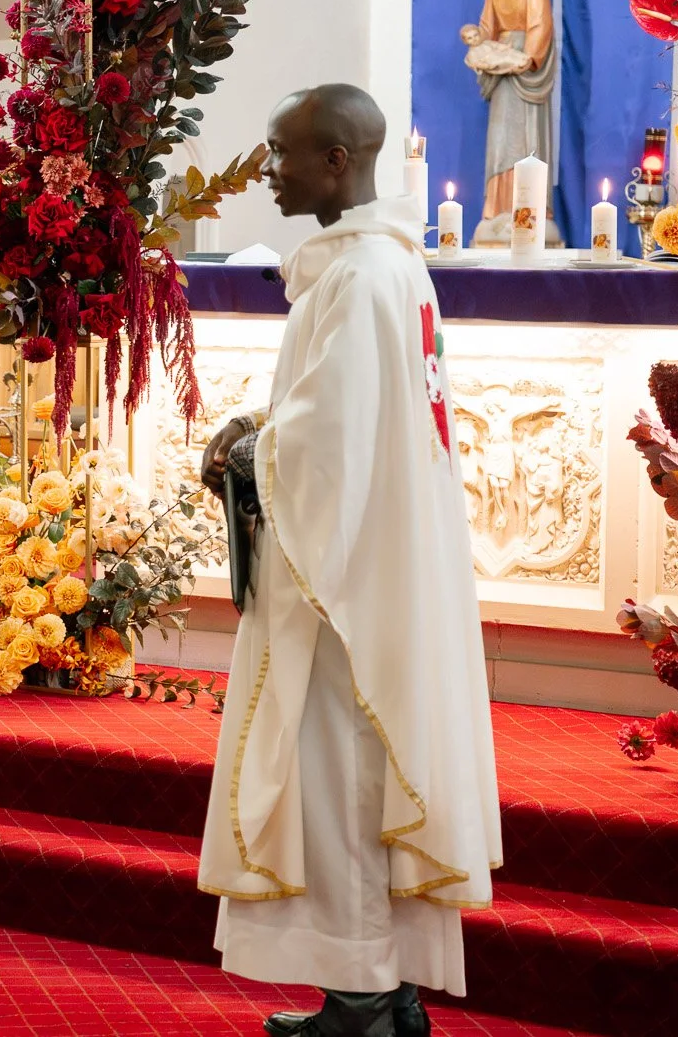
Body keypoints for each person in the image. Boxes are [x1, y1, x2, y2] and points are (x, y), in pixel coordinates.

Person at [197, 85, 501, 1037]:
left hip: (346, 581)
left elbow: (332, 441)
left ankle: (366, 999)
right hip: (367, 557)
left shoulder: (366, 276)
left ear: (337, 161)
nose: (269, 169)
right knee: (356, 778)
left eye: (283, 152)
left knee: (341, 777)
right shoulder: (377, 266)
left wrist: (247, 451)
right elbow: (338, 409)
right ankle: (377, 988)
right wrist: (261, 423)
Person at [459, 0, 554, 245]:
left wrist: (527, 58)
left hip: (521, 65)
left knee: (525, 136)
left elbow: (540, 24)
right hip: (500, 66)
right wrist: (478, 39)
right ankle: (497, 209)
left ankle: (528, 208)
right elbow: (488, 25)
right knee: (499, 139)